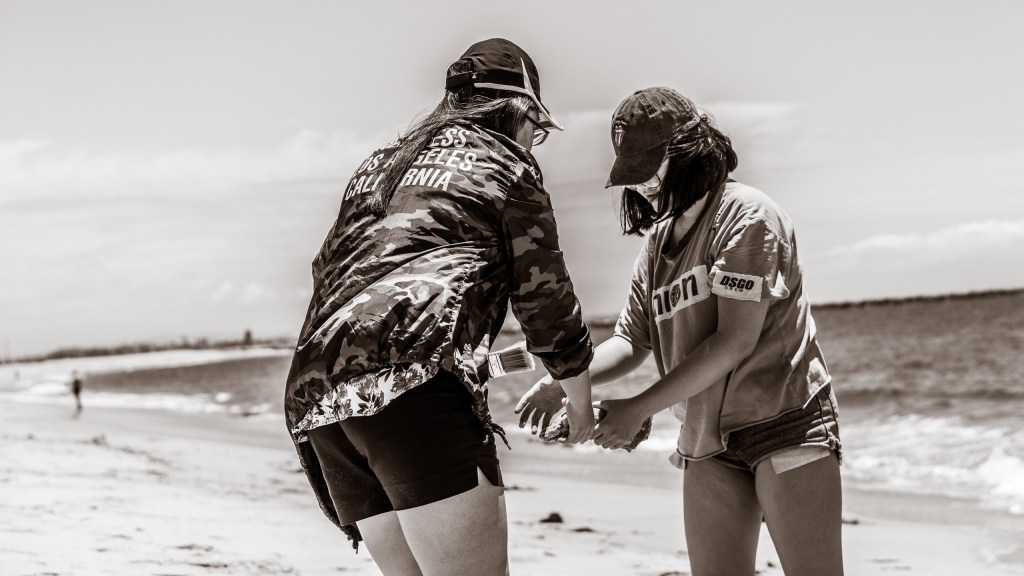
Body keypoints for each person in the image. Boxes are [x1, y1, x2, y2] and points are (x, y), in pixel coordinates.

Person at [283, 38, 595, 576]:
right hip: (412, 392)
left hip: (320, 397)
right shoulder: (506, 165)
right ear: (517, 111)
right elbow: (546, 302)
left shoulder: (381, 164)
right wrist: (581, 405)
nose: (533, 143)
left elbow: (327, 270)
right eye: (536, 130)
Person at [516, 87, 843, 575]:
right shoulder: (657, 244)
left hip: (786, 423)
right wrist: (565, 379)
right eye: (632, 171)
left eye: (650, 165)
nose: (642, 183)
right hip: (705, 440)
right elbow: (631, 341)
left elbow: (734, 341)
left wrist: (637, 408)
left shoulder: (748, 215)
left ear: (689, 151)